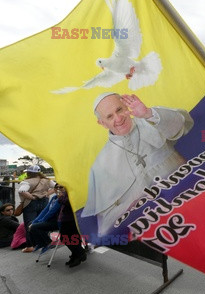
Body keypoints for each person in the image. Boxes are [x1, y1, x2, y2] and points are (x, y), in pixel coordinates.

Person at [82, 93, 194, 236]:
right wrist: (132, 204)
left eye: (119, 110)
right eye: (109, 117)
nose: (118, 118)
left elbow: (183, 125)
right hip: (154, 225)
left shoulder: (150, 120)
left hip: (189, 197)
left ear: (126, 107)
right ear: (102, 123)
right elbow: (106, 217)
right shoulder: (103, 162)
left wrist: (148, 113)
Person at [17, 165, 56, 252]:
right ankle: (44, 242)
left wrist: (32, 197)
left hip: (31, 203)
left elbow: (22, 191)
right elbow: (56, 186)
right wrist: (47, 194)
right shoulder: (46, 180)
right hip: (44, 202)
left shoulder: (27, 181)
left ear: (28, 172)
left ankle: (30, 245)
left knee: (29, 223)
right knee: (42, 222)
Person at [57, 184, 87, 268]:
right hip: (71, 218)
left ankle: (80, 253)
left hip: (70, 218)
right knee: (73, 238)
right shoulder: (72, 189)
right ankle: (75, 256)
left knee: (65, 238)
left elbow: (68, 202)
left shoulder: (74, 190)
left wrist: (60, 197)